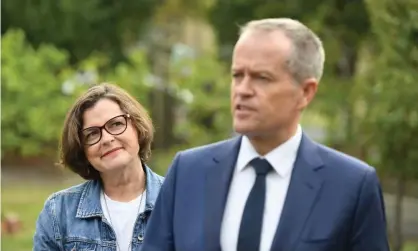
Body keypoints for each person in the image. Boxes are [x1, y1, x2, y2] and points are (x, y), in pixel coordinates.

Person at [142, 18, 390, 251]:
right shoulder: (188, 172)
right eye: (237, 75)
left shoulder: (351, 186)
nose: (243, 90)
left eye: (262, 78)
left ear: (306, 92)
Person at [33, 83, 164, 251]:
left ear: (137, 126)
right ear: (82, 149)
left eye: (116, 124)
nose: (107, 139)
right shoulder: (58, 212)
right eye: (92, 133)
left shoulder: (179, 202)